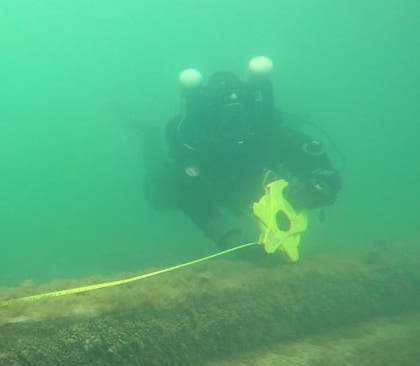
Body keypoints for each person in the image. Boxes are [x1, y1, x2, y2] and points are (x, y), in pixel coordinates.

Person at [141, 56, 342, 252]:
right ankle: (148, 136)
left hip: (252, 186)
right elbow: (188, 194)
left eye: (239, 114)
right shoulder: (194, 141)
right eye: (226, 116)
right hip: (212, 188)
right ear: (209, 115)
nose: (234, 122)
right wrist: (228, 237)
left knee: (282, 143)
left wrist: (316, 189)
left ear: (252, 111)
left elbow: (315, 161)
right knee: (159, 196)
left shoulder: (267, 131)